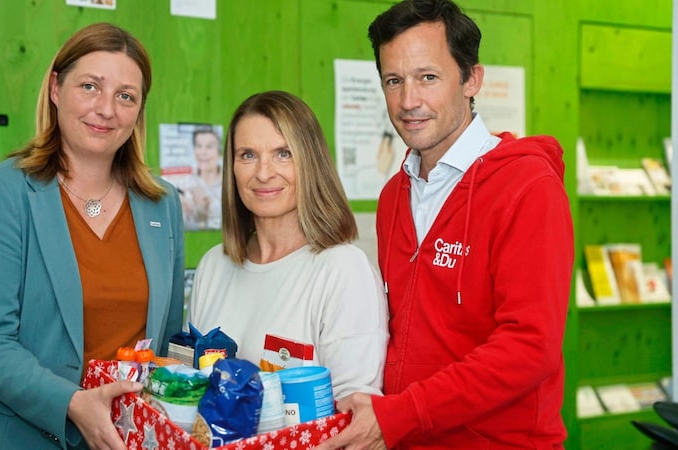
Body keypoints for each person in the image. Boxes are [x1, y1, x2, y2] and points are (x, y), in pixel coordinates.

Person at [318, 1, 574, 449]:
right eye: (393, 81)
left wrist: (402, 413)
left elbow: (529, 347)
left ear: (472, 79)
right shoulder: (392, 196)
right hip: (406, 437)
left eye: (427, 77)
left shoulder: (528, 186)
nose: (408, 101)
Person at [0, 23, 185, 450]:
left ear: (138, 111)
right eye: (90, 86)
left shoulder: (163, 204)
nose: (106, 109)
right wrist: (73, 403)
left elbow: (166, 342)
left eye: (125, 96)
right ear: (55, 88)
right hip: (4, 437)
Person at [187, 90, 389, 399]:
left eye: (283, 153)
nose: (264, 173)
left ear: (311, 163)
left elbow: (354, 411)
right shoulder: (214, 265)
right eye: (248, 155)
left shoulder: (343, 270)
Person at [178, 126, 223, 230]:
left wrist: (207, 207)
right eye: (198, 146)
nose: (203, 152)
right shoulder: (184, 184)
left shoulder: (230, 185)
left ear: (219, 152)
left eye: (209, 147)